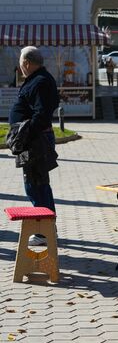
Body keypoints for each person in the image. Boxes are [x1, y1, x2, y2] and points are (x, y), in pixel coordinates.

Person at [8, 46, 60, 246]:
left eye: (21, 63)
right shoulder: (38, 79)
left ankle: (44, 230)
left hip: (35, 142)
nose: (20, 67)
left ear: (27, 63)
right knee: (35, 184)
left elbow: (41, 114)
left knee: (36, 185)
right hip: (32, 141)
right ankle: (45, 228)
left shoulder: (40, 82)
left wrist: (24, 132)